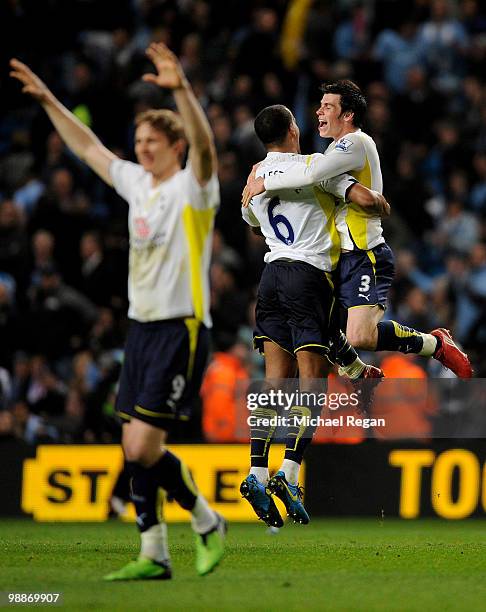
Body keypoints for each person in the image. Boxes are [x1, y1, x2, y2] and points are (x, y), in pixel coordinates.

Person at [10, 43, 225, 581]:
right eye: (139, 141)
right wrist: (48, 101)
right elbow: (88, 148)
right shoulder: (137, 186)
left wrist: (180, 91)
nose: (142, 148)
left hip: (182, 326)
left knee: (140, 443)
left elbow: (205, 145)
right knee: (134, 444)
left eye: (153, 141)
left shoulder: (193, 189)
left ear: (175, 145)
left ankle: (203, 520)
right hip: (141, 328)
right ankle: (155, 552)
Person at [242, 80, 472, 379]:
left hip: (364, 251)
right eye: (319, 105)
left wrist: (264, 180)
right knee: (320, 318)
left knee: (360, 336)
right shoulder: (331, 152)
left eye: (327, 106)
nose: (319, 111)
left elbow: (315, 173)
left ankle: (435, 343)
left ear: (347, 114)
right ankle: (356, 369)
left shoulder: (355, 143)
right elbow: (351, 190)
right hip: (338, 256)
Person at [239, 104, 389, 528]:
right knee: (312, 380)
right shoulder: (315, 166)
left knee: (274, 381)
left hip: (270, 276)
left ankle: (255, 471)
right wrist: (378, 202)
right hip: (308, 277)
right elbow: (357, 195)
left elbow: (249, 215)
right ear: (292, 129)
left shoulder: (256, 174)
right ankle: (288, 472)